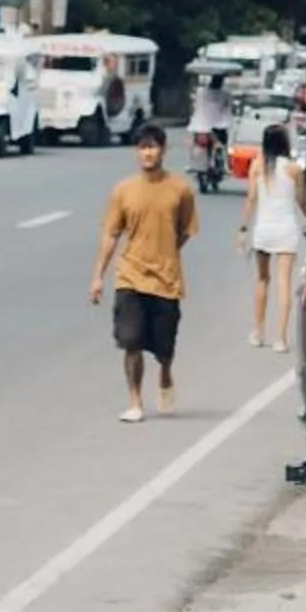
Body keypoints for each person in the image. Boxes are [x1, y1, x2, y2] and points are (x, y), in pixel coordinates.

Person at [90, 124, 199, 423]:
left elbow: (186, 230)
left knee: (164, 347)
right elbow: (111, 234)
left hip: (166, 280)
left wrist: (167, 251)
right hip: (130, 276)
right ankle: (135, 401)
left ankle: (165, 372)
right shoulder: (123, 190)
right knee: (131, 340)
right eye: (143, 147)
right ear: (136, 152)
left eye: (153, 147)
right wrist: (98, 276)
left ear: (163, 150)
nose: (148, 153)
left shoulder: (181, 190)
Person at [240, 119, 306, 350]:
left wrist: (243, 228)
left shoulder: (257, 166)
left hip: (264, 230)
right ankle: (280, 338)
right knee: (284, 283)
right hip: (286, 231)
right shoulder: (294, 169)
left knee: (262, 280)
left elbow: (251, 199)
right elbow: (302, 201)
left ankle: (258, 332)